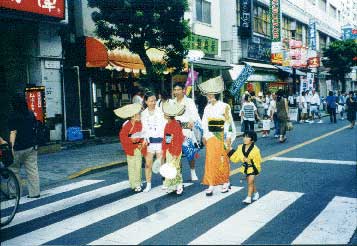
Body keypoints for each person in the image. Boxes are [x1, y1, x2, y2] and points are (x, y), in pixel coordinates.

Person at [199, 76, 236, 196]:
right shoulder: (207, 107)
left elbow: (229, 123)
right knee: (210, 160)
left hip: (222, 135)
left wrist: (228, 137)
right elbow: (204, 123)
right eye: (208, 94)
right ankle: (211, 184)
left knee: (223, 159)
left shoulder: (225, 106)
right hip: (210, 136)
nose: (209, 96)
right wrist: (204, 135)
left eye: (211, 94)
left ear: (216, 94)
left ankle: (225, 181)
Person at [8, 94, 40, 198]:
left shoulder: (13, 116)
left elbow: (13, 133)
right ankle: (35, 193)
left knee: (14, 170)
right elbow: (35, 127)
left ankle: (15, 194)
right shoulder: (30, 113)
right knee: (32, 170)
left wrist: (11, 148)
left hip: (18, 148)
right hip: (31, 146)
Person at [172, 83, 201, 181]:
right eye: (175, 90)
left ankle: (193, 171)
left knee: (190, 153)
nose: (176, 92)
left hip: (186, 130)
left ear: (183, 90)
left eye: (178, 89)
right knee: (176, 154)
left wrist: (192, 120)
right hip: (175, 130)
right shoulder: (172, 102)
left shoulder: (189, 101)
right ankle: (178, 174)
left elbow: (195, 114)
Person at [115, 103, 145, 192]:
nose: (140, 115)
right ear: (133, 116)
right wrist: (132, 140)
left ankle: (137, 183)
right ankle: (135, 184)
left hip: (138, 147)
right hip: (129, 148)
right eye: (138, 114)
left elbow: (144, 135)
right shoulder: (127, 125)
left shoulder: (140, 124)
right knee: (132, 166)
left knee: (137, 165)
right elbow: (122, 137)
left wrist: (141, 142)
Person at [141, 91, 166, 192]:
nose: (153, 103)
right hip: (149, 143)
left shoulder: (161, 111)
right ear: (146, 102)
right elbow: (143, 129)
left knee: (161, 163)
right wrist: (144, 139)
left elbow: (164, 126)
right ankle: (148, 184)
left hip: (160, 141)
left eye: (155, 100)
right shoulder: (143, 114)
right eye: (151, 101)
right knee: (148, 164)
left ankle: (165, 182)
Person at [229, 131, 262, 204]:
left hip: (253, 168)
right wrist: (230, 151)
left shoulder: (256, 150)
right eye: (244, 136)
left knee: (250, 182)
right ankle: (256, 193)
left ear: (252, 139)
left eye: (247, 137)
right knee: (250, 182)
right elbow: (235, 158)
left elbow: (258, 161)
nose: (245, 138)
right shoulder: (240, 147)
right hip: (245, 168)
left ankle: (249, 198)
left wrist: (251, 162)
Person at [161, 101, 185, 195]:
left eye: (165, 114)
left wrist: (175, 153)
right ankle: (172, 185)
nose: (164, 115)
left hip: (176, 149)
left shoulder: (176, 125)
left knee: (176, 167)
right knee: (170, 168)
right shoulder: (167, 125)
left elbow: (179, 140)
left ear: (168, 115)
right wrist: (164, 150)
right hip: (169, 150)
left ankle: (179, 184)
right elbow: (167, 139)